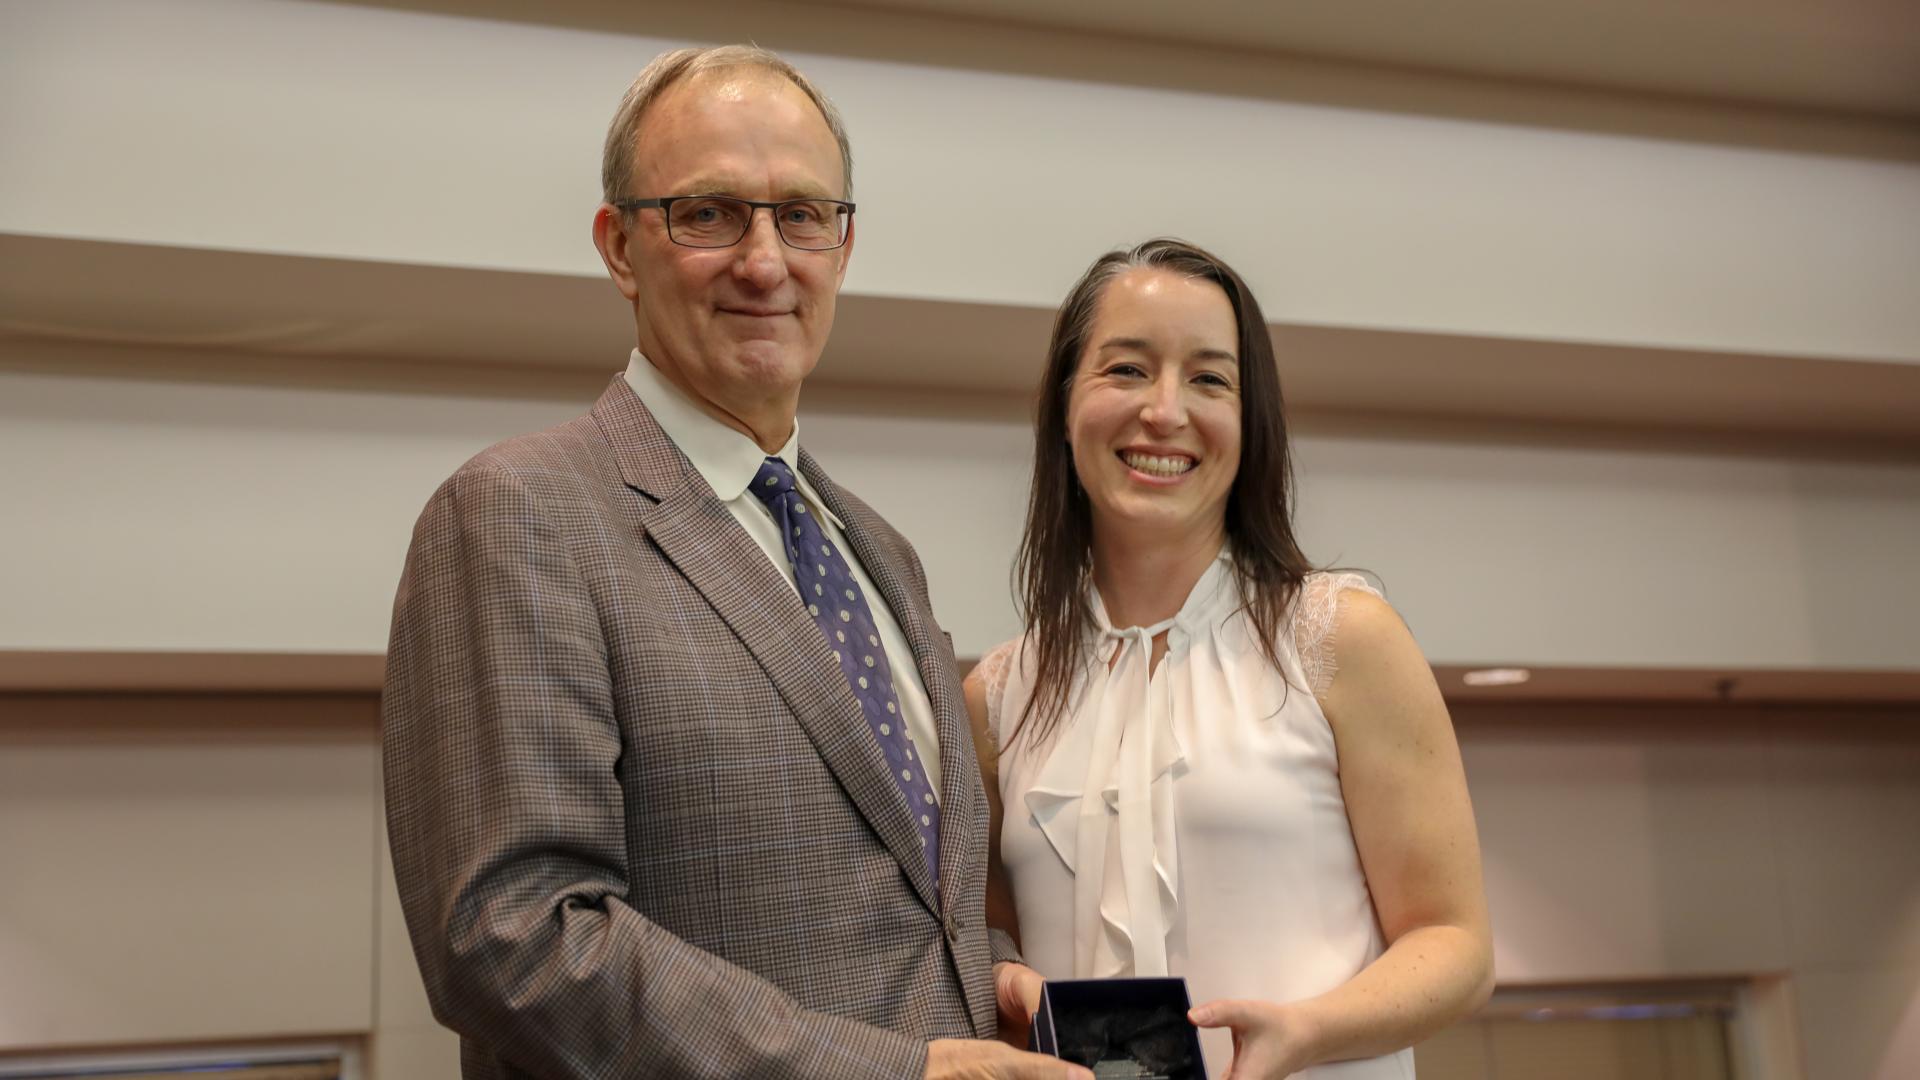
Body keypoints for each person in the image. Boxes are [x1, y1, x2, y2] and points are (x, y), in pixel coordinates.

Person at [382, 45, 1083, 1080]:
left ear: (842, 247)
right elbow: (514, 939)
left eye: (802, 215)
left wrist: (995, 975)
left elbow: (897, 904)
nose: (765, 261)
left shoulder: (881, 551)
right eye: (709, 214)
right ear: (620, 247)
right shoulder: (516, 516)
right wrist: (901, 1074)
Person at [968, 239, 1494, 1078]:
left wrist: (1308, 1031)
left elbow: (1456, 945)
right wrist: (1001, 984)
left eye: (1210, 379)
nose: (1166, 411)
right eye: (1127, 370)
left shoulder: (1341, 637)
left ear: (1253, 425)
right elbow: (992, 953)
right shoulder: (997, 696)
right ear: (1066, 406)